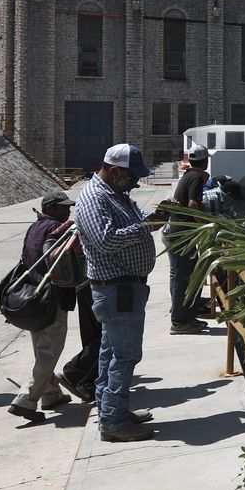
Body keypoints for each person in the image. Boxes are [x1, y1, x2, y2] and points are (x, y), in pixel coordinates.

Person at [74, 144, 170, 443]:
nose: (136, 181)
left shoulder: (116, 194)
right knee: (126, 355)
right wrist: (146, 227)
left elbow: (135, 220)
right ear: (116, 171)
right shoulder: (93, 198)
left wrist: (156, 215)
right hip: (117, 289)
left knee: (110, 354)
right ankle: (113, 422)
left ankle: (111, 410)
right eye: (132, 176)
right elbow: (104, 241)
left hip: (125, 288)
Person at [8, 191, 80, 423]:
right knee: (50, 351)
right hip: (51, 297)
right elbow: (62, 268)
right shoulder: (56, 229)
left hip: (33, 298)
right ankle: (25, 399)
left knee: (41, 348)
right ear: (49, 208)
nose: (67, 211)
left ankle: (51, 394)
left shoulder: (34, 227)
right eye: (62, 207)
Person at [162, 144, 209, 335]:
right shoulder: (197, 176)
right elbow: (193, 204)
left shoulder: (188, 175)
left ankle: (183, 315)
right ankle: (180, 321)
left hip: (176, 233)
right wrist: (207, 225)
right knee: (185, 278)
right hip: (183, 236)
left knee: (179, 276)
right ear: (205, 161)